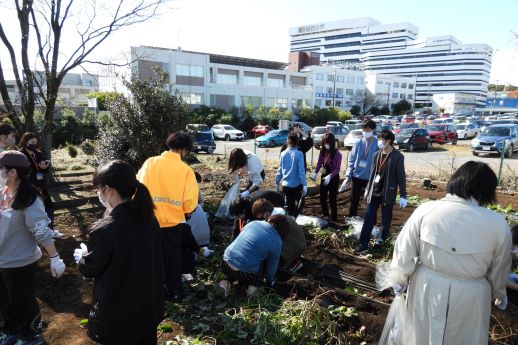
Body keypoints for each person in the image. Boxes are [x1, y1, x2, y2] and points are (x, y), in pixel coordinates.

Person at [382, 161, 511, 344]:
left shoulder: (427, 210)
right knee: (465, 338)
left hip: (426, 287)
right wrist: (499, 295)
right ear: (487, 191)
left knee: (422, 336)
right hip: (471, 295)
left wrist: (399, 279)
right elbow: (500, 267)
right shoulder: (497, 223)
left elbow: (404, 250)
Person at [75, 160, 164, 345]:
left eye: (98, 188)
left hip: (118, 316)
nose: (98, 193)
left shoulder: (107, 228)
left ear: (108, 189)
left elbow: (91, 268)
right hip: (147, 308)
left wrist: (83, 258)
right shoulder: (148, 219)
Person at [0, 151, 65, 345]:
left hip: (20, 262)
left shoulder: (29, 198)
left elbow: (40, 231)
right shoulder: (3, 193)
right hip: (2, 260)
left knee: (22, 302)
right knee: (3, 302)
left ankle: (30, 335)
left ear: (12, 172)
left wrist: (54, 257)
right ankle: (9, 332)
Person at [137, 131, 199, 301]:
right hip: (173, 223)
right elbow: (189, 202)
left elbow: (138, 189)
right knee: (173, 257)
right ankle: (175, 291)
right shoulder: (186, 170)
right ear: (185, 150)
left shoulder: (150, 163)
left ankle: (152, 290)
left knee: (151, 257)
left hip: (149, 220)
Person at [355, 130, 407, 254]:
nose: (379, 141)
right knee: (368, 218)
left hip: (388, 192)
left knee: (385, 219)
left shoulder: (398, 157)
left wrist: (403, 195)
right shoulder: (376, 154)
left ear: (388, 141)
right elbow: (373, 173)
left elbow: (401, 177)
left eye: (381, 139)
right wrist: (368, 188)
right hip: (374, 192)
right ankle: (363, 244)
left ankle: (381, 239)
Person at [219, 215, 289, 297]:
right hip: (245, 273)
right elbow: (272, 267)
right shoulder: (277, 241)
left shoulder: (253, 223)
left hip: (225, 263)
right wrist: (269, 283)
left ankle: (226, 283)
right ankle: (252, 290)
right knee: (262, 265)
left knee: (238, 264)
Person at [19, 132, 63, 239]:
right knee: (33, 210)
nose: (34, 144)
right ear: (25, 142)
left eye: (35, 142)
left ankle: (50, 230)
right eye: (32, 142)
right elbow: (22, 172)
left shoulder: (38, 153)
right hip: (28, 187)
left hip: (41, 186)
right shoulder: (21, 155)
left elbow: (44, 169)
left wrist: (44, 168)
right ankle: (33, 234)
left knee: (48, 207)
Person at [251, 199, 307, 272]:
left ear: (266, 212)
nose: (262, 219)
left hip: (296, 245)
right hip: (294, 242)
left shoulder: (277, 220)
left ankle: (292, 263)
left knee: (270, 253)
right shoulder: (276, 215)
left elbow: (273, 239)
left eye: (262, 217)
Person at [339, 120, 378, 217]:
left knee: (370, 202)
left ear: (373, 130)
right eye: (364, 129)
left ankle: (370, 224)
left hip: (370, 178)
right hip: (356, 177)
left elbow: (380, 162)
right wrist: (348, 177)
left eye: (368, 130)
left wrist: (378, 177)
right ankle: (352, 220)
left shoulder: (377, 143)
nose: (365, 132)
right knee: (354, 201)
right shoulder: (358, 143)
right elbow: (351, 161)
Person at [310, 133, 342, 222]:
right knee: (322, 197)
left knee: (332, 199)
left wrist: (330, 176)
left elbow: (337, 168)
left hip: (333, 177)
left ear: (332, 143)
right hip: (324, 175)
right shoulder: (323, 151)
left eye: (327, 143)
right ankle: (326, 215)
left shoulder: (337, 154)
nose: (325, 145)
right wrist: (315, 173)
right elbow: (319, 162)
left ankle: (334, 218)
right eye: (324, 143)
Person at [276, 133, 307, 217]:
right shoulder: (299, 154)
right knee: (301, 202)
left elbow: (279, 170)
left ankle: (290, 220)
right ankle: (294, 217)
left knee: (290, 205)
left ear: (287, 142)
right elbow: (301, 171)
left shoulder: (283, 153)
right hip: (296, 185)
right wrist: (304, 185)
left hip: (285, 185)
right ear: (297, 142)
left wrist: (277, 183)